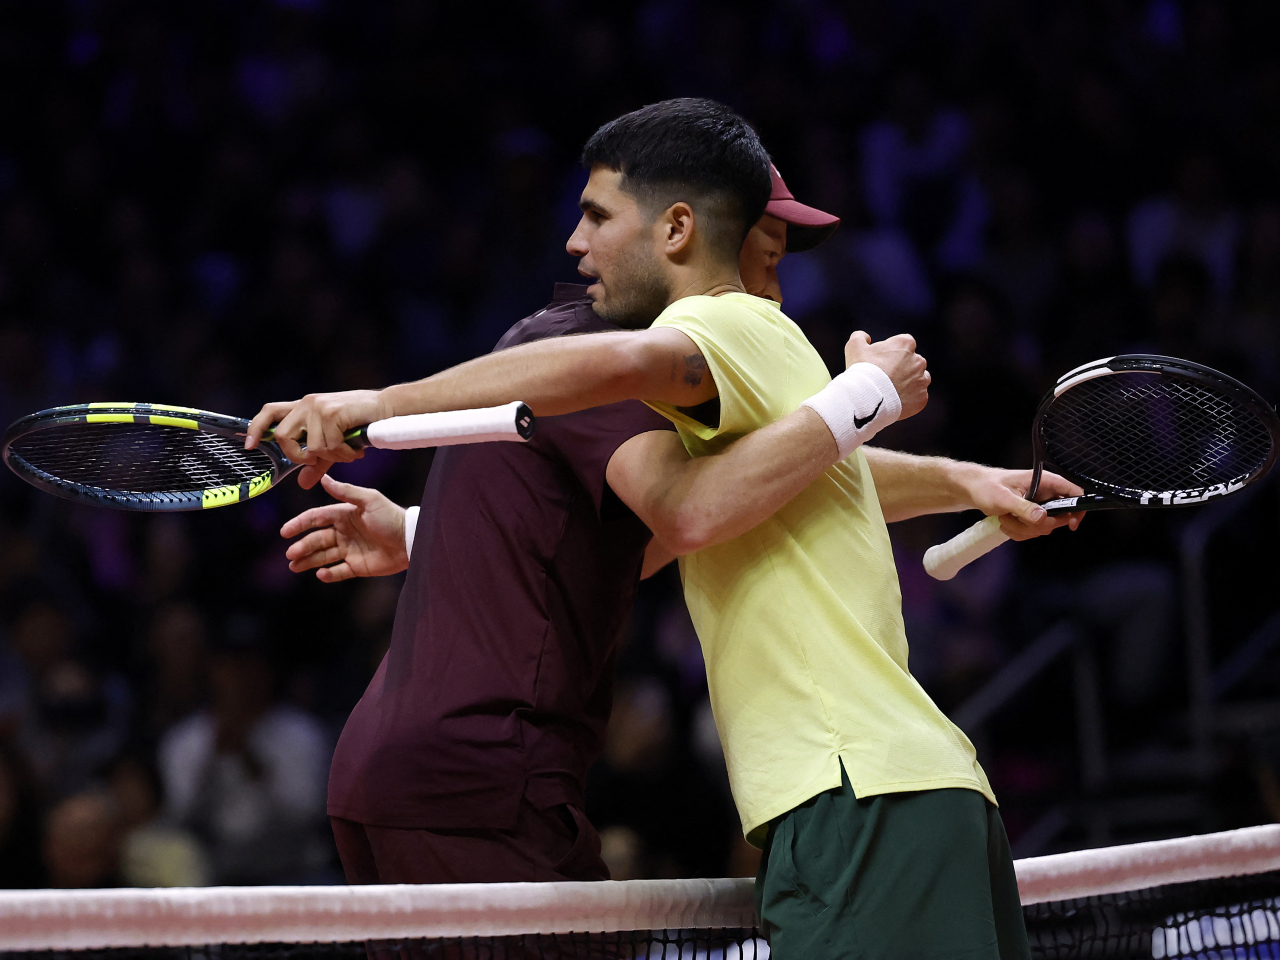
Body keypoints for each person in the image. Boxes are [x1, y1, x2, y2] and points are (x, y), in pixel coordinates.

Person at [255, 100, 1078, 957]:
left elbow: (688, 489)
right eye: (770, 241)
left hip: (858, 793)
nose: (778, 267)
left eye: (596, 216)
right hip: (889, 788)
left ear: (682, 229)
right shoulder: (700, 355)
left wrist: (377, 402)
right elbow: (728, 489)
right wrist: (441, 529)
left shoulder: (728, 323)